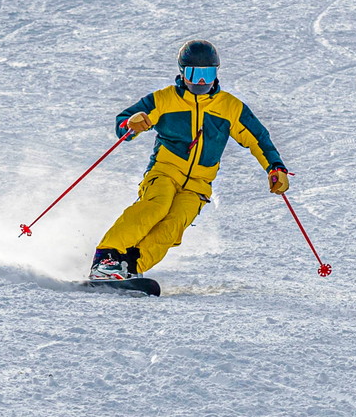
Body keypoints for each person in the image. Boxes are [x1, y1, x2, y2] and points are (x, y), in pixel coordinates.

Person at [89, 39, 289, 281]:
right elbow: (125, 123)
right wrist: (132, 124)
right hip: (165, 171)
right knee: (156, 205)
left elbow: (258, 138)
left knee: (173, 226)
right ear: (183, 73)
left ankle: (131, 265)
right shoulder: (165, 99)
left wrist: (275, 168)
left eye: (208, 74)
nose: (201, 82)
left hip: (198, 185)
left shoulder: (229, 107)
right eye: (195, 74)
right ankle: (107, 257)